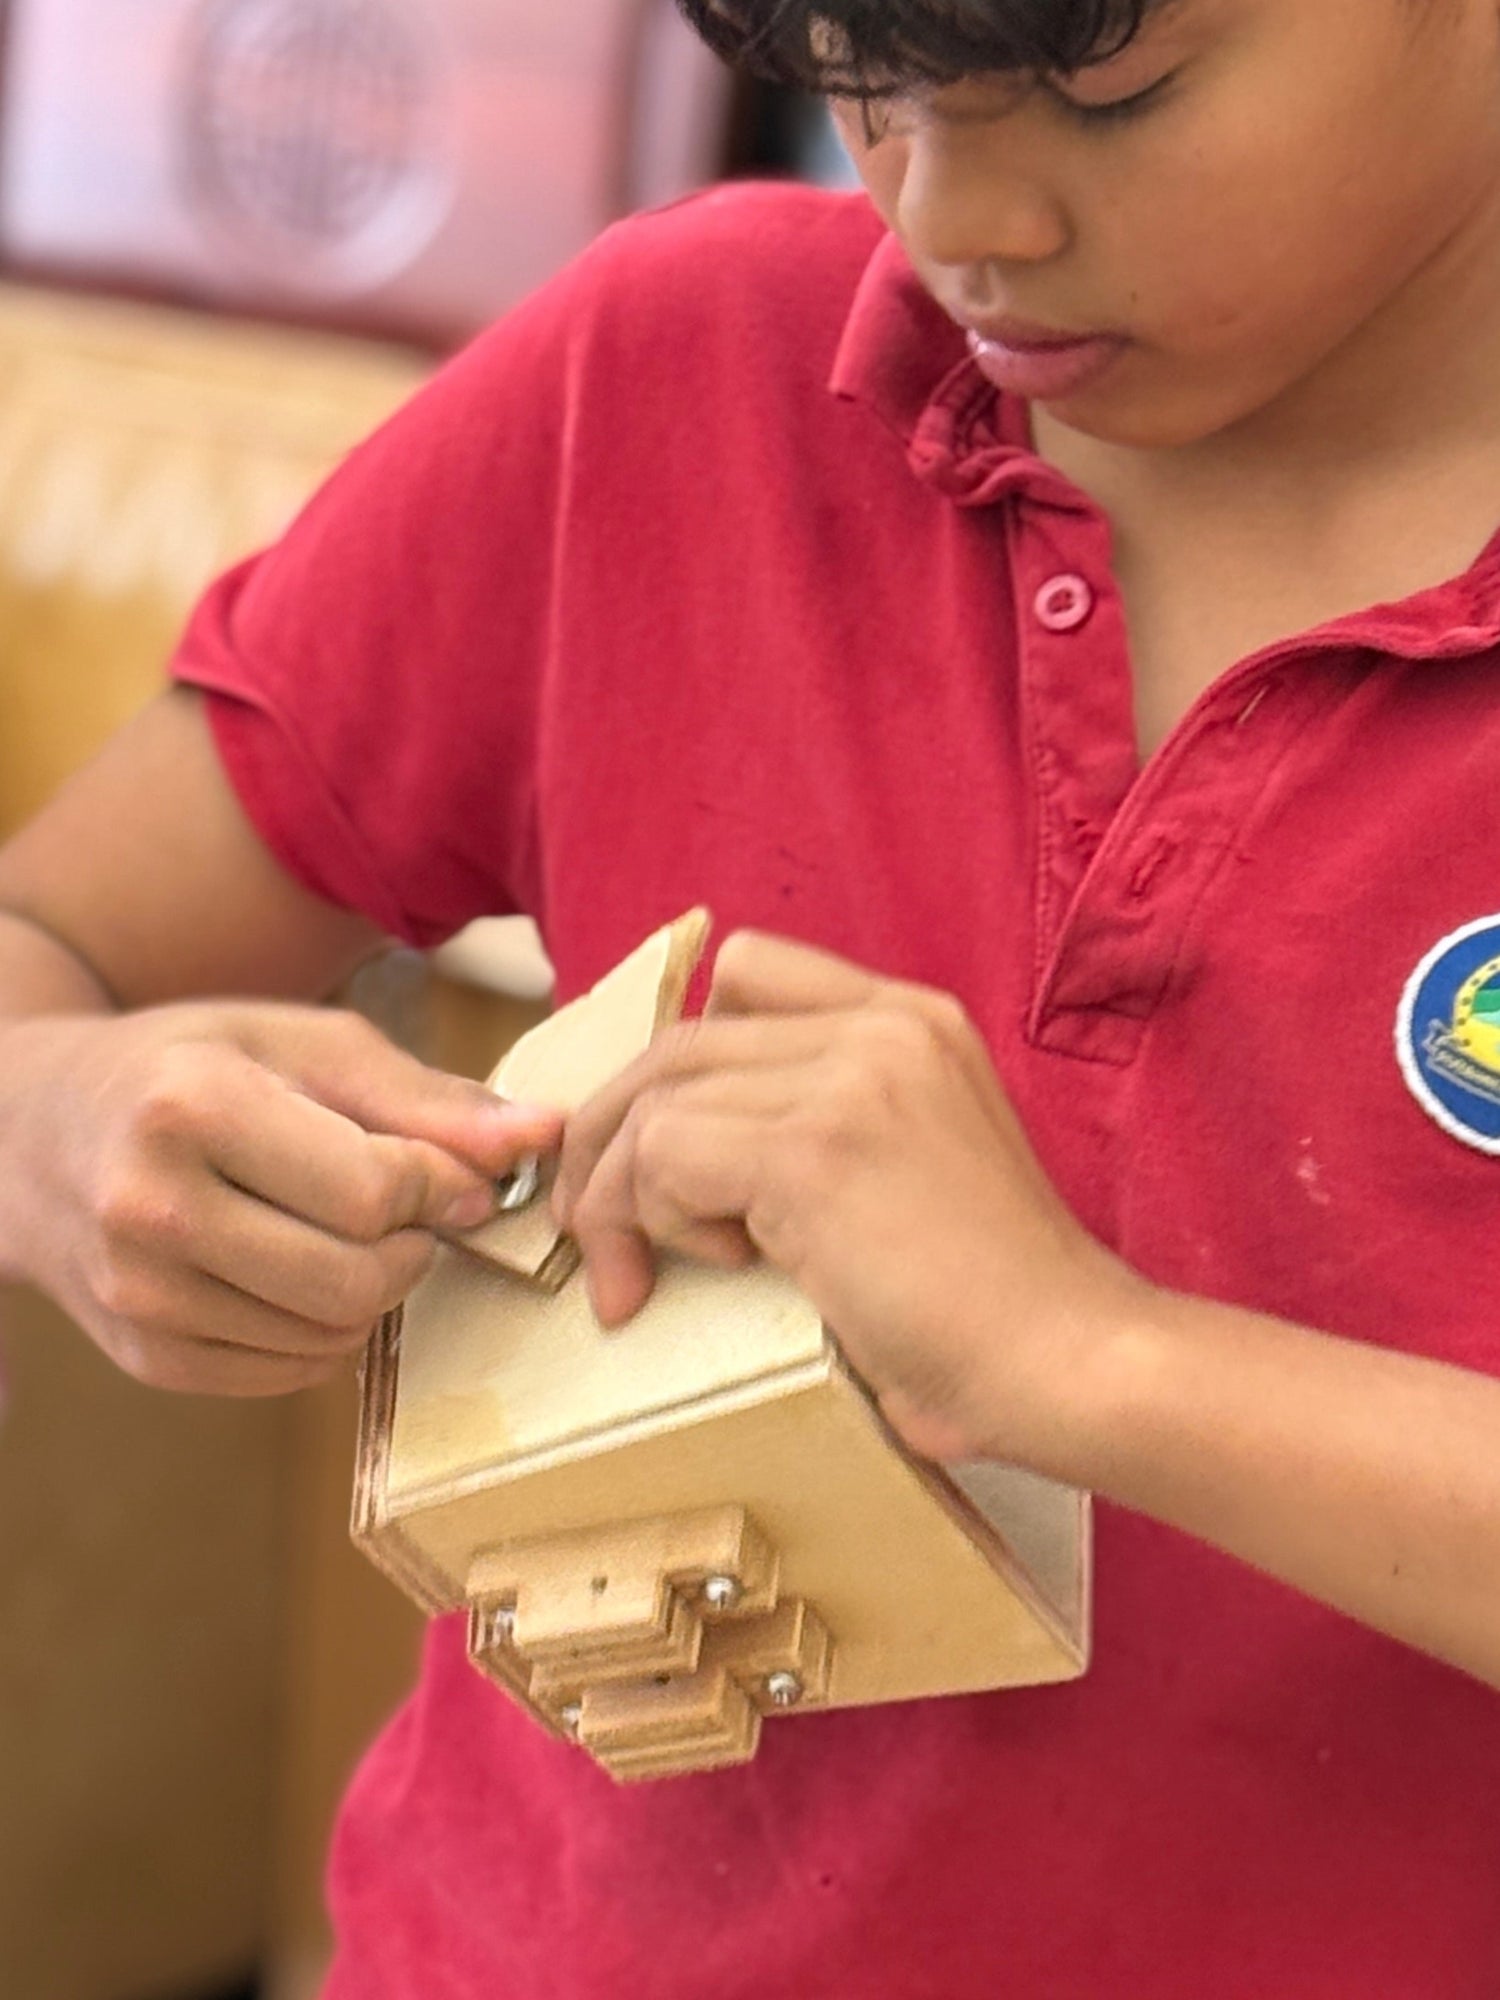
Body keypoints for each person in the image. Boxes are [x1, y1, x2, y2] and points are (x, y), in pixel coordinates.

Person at [3, 0, 1499, 1989]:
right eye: (857, 76)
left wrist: (1091, 1359)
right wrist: (65, 1128)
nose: (961, 219)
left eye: (1107, 91)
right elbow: (55, 960)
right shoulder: (680, 369)